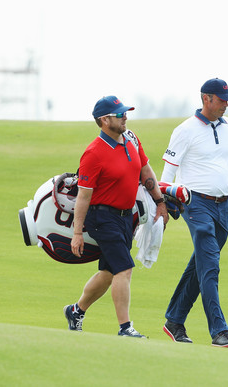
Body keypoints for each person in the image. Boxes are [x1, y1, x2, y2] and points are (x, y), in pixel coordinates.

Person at [160, 78, 228, 348]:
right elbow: (168, 173)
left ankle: (174, 319)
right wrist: (162, 202)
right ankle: (219, 331)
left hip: (223, 206)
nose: (226, 105)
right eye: (222, 100)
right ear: (206, 98)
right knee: (210, 267)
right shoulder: (184, 130)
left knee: (200, 265)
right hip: (195, 205)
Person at [65, 96, 169, 337]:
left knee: (110, 272)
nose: (125, 116)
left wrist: (160, 201)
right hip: (102, 217)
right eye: (120, 113)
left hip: (125, 217)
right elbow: (83, 196)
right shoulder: (93, 153)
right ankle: (125, 327)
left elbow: (145, 171)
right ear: (104, 120)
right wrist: (77, 233)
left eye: (125, 112)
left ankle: (76, 310)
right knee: (124, 269)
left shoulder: (130, 139)